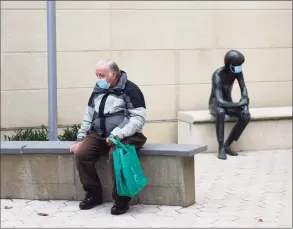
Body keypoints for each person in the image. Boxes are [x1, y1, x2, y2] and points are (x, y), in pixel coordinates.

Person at [70, 60, 147, 215]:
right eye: (96, 75)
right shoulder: (98, 90)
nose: (98, 78)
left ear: (113, 74)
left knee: (116, 155)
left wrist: (117, 135)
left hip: (127, 134)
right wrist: (80, 139)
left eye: (101, 75)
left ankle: (122, 199)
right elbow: (89, 116)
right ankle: (93, 194)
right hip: (100, 134)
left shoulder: (131, 89)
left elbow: (138, 119)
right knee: (82, 153)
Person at [208, 50, 251, 160]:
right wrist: (239, 104)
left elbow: (244, 89)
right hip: (216, 104)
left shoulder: (237, 72)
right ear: (230, 65)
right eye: (238, 65)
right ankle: (221, 147)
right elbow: (220, 101)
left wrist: (245, 107)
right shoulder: (217, 75)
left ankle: (228, 144)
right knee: (221, 112)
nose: (240, 68)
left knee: (246, 116)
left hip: (229, 103)